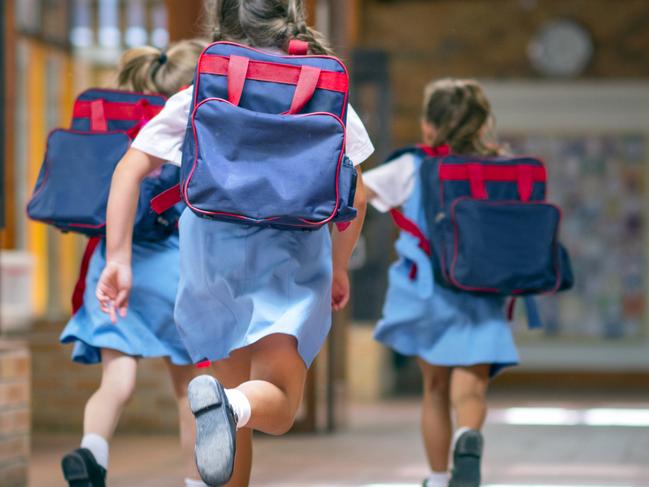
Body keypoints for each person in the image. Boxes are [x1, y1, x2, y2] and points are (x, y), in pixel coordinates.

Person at [95, 1, 374, 485]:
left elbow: (129, 169)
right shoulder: (324, 93)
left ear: (220, 24)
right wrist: (342, 264)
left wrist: (117, 259)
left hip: (211, 262)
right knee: (276, 404)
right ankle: (233, 403)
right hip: (290, 264)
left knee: (227, 421)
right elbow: (359, 192)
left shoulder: (203, 89)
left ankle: (229, 404)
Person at [59, 39, 210, 487]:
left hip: (111, 263)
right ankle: (195, 481)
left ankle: (93, 450)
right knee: (189, 389)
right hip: (172, 268)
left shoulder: (126, 130)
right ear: (190, 85)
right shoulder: (187, 125)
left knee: (116, 379)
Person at [363, 78, 520, 487]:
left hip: (426, 293)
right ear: (481, 124)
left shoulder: (411, 166)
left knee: (434, 388)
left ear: (429, 126)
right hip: (482, 292)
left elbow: (356, 194)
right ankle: (469, 438)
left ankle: (436, 478)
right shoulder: (502, 167)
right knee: (471, 389)